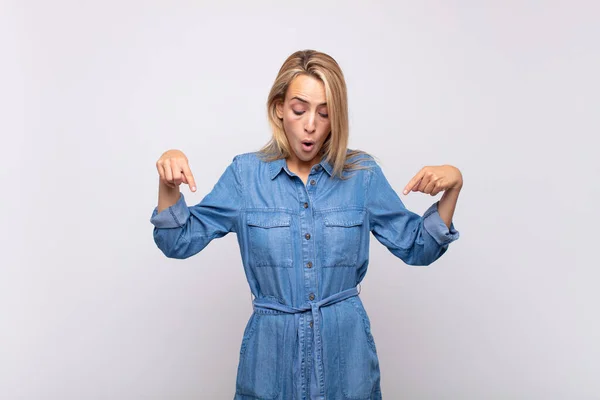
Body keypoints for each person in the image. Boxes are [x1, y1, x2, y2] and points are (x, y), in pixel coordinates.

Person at [150, 49, 462, 400]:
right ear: (279, 108)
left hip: (347, 357)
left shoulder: (362, 175)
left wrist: (453, 187)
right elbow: (177, 242)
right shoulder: (245, 176)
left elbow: (419, 247)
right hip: (270, 359)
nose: (310, 124)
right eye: (299, 110)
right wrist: (168, 184)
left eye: (324, 113)